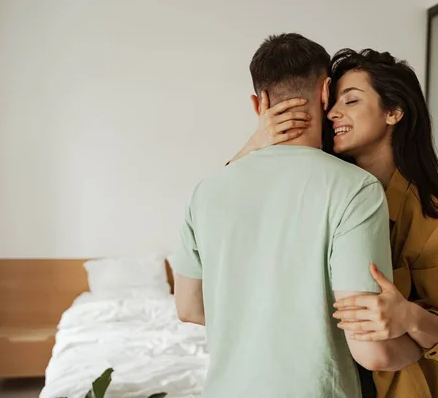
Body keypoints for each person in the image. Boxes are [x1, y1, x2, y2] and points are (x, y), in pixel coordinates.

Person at [172, 34, 422, 398]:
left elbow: (188, 308)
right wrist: (422, 347)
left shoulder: (206, 191)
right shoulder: (356, 189)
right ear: (325, 94)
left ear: (259, 104)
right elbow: (372, 351)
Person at [231, 48, 438, 398]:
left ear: (393, 112)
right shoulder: (317, 188)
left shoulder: (434, 220)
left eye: (352, 100)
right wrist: (255, 144)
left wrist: (407, 317)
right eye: (332, 102)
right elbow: (223, 207)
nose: (332, 113)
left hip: (392, 383)